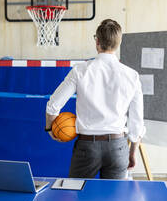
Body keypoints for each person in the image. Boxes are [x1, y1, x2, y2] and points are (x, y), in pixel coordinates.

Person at [45, 19, 146, 179]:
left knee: (78, 196)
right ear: (118, 43)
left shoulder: (80, 70)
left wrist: (50, 129)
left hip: (86, 147)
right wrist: (133, 151)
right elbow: (136, 119)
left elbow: (53, 105)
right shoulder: (132, 75)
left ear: (97, 41)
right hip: (117, 147)